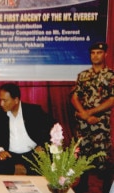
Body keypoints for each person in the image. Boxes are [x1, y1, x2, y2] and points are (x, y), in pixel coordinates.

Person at [71, 42, 114, 193]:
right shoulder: (83, 76)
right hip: (83, 125)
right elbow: (75, 97)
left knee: (104, 161)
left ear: (105, 55)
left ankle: (106, 189)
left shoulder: (111, 76)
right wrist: (84, 114)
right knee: (82, 158)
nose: (95, 55)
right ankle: (82, 188)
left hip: (100, 126)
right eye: (93, 53)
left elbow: (111, 100)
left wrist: (90, 113)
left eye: (99, 53)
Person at [0, 83, 56, 175]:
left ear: (16, 100)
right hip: (10, 155)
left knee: (45, 165)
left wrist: (42, 145)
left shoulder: (34, 111)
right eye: (0, 100)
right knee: (0, 167)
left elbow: (53, 128)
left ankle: (21, 170)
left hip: (33, 154)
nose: (1, 104)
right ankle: (24, 170)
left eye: (5, 101)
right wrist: (0, 151)